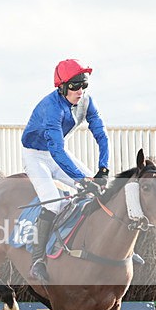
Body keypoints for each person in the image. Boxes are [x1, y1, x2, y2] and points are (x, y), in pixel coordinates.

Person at [21, 58, 110, 282]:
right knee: (54, 201)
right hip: (36, 156)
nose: (80, 91)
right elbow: (57, 151)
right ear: (61, 87)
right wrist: (82, 179)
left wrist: (103, 168)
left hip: (58, 154)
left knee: (100, 190)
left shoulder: (87, 101)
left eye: (84, 85)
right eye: (75, 86)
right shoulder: (50, 108)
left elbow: (101, 134)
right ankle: (37, 261)